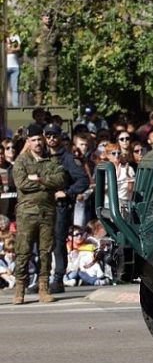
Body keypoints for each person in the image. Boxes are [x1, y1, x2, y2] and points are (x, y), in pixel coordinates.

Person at [11, 123, 68, 304]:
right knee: (23, 251)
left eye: (39, 140)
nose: (37, 143)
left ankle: (44, 288)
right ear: (28, 142)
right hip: (26, 213)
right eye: (34, 140)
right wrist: (46, 184)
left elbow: (61, 179)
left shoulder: (52, 160)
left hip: (47, 213)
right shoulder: (21, 161)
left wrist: (40, 179)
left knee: (46, 252)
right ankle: (20, 288)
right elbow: (22, 183)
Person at [44, 124, 88, 294]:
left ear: (60, 137)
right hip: (44, 206)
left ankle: (58, 278)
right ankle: (42, 279)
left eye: (54, 135)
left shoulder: (68, 158)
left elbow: (83, 181)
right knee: (43, 243)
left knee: (58, 242)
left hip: (61, 207)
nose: (51, 139)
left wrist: (67, 192)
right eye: (48, 136)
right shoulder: (42, 157)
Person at [33, 12, 60, 105]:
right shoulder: (38, 31)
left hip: (52, 59)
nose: (48, 20)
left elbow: (59, 45)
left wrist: (55, 53)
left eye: (49, 18)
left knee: (54, 80)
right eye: (46, 18)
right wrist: (38, 51)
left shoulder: (55, 31)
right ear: (42, 18)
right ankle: (39, 100)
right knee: (40, 80)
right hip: (42, 59)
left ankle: (54, 100)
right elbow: (33, 46)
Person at [6, 33, 21, 107]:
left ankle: (15, 105)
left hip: (15, 67)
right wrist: (12, 49)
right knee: (4, 88)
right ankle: (4, 105)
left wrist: (10, 49)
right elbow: (5, 50)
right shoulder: (2, 40)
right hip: (4, 68)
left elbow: (19, 48)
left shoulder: (15, 39)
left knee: (15, 88)